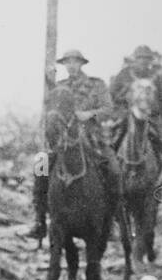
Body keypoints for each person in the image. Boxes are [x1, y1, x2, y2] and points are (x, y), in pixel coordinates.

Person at [32, 49, 120, 238]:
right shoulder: (59, 87)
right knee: (40, 166)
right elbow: (50, 112)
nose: (71, 66)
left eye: (75, 62)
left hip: (91, 137)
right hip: (63, 140)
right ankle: (39, 220)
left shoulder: (96, 85)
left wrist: (89, 114)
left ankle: (111, 219)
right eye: (67, 63)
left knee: (114, 169)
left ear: (82, 64)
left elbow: (108, 110)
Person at [109, 44, 162, 179]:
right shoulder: (124, 74)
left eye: (147, 59)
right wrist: (124, 98)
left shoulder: (155, 76)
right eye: (140, 58)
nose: (143, 61)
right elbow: (111, 95)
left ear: (150, 61)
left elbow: (160, 100)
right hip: (126, 114)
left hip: (151, 116)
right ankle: (106, 176)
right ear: (134, 60)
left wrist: (157, 111)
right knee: (110, 139)